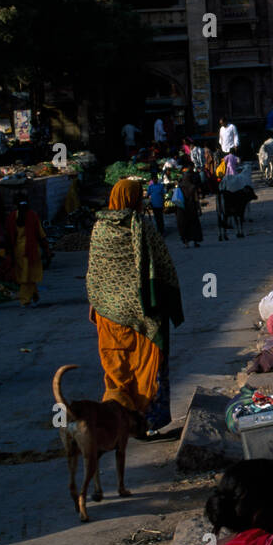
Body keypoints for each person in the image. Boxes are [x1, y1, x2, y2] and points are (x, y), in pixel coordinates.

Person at [86, 179, 184, 436]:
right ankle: (146, 423)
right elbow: (161, 265)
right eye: (138, 197)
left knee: (119, 368)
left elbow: (94, 275)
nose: (141, 201)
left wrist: (98, 303)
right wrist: (168, 300)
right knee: (146, 369)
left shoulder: (99, 228)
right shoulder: (140, 226)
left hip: (109, 317)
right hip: (143, 317)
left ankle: (118, 422)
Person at [6, 196, 51, 307]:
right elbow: (41, 234)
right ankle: (25, 299)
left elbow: (8, 235)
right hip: (31, 249)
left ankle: (34, 294)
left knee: (25, 274)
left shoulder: (12, 217)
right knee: (28, 276)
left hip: (18, 251)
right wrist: (46, 249)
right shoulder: (32, 216)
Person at [173, 169, 203, 248]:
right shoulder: (193, 187)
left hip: (182, 209)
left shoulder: (180, 186)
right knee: (194, 225)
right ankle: (195, 241)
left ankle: (186, 242)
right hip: (192, 208)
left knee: (184, 226)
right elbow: (196, 199)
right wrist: (199, 209)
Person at [146, 171, 166, 235]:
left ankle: (162, 231)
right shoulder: (150, 187)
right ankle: (159, 231)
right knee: (157, 218)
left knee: (160, 218)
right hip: (154, 205)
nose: (155, 180)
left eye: (156, 179)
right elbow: (147, 195)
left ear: (157, 179)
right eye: (154, 179)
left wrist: (163, 202)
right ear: (152, 180)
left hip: (160, 204)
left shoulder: (161, 186)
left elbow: (163, 195)